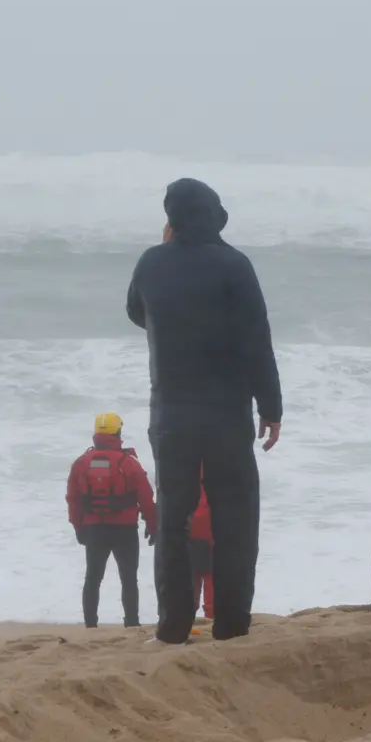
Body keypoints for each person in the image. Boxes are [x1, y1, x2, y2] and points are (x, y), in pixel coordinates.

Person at [125, 177, 282, 644]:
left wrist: (166, 270)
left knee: (173, 518)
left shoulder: (151, 263)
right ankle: (232, 624)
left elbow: (137, 312)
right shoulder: (234, 265)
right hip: (226, 415)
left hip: (169, 415)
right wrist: (270, 407)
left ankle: (173, 627)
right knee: (236, 517)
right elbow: (258, 341)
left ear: (171, 219)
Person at [65, 412, 157, 628]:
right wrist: (153, 526)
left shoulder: (82, 463)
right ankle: (132, 624)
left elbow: (73, 499)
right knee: (128, 579)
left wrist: (79, 527)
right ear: (118, 432)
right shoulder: (129, 463)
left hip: (95, 529)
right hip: (125, 529)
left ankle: (90, 626)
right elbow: (146, 498)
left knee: (93, 579)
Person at [188, 466, 214, 620]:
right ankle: (210, 615)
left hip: (190, 538)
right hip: (210, 539)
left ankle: (188, 614)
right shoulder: (217, 485)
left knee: (192, 578)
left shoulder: (186, 483)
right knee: (211, 577)